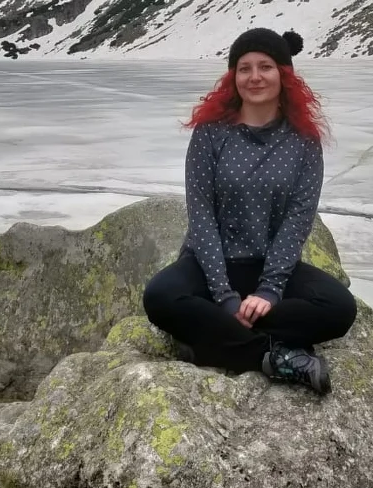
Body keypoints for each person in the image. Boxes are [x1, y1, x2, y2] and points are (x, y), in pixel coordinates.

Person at [142, 28, 357, 394]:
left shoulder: (303, 141)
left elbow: (297, 221)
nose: (254, 77)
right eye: (244, 68)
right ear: (233, 77)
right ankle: (274, 356)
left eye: (265, 67)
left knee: (339, 308)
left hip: (268, 265)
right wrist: (225, 297)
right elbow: (202, 217)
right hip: (211, 264)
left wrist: (270, 291)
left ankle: (210, 339)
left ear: (283, 75)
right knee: (160, 297)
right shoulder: (210, 133)